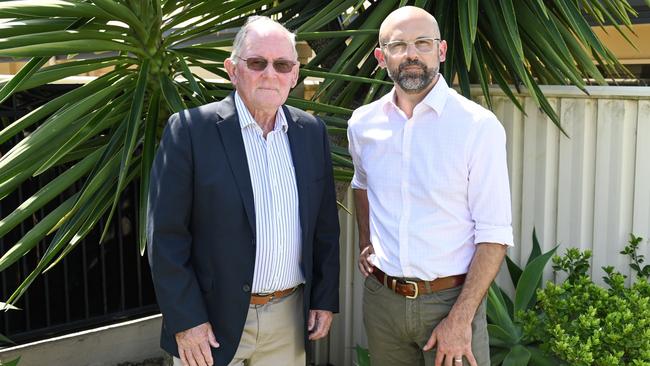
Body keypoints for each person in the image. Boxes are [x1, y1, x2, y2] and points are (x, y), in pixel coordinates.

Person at [147, 16, 340, 366]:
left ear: (295, 75)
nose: (270, 74)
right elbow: (166, 237)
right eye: (257, 63)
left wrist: (324, 299)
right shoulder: (191, 131)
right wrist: (187, 320)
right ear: (232, 70)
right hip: (210, 324)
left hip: (288, 319)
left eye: (282, 65)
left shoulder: (311, 132)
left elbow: (325, 227)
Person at [347, 6, 513, 366]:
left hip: (449, 301)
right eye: (398, 45)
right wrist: (365, 241)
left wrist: (461, 317)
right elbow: (361, 184)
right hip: (383, 301)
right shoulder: (363, 124)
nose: (411, 54)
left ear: (441, 51)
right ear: (381, 57)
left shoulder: (476, 127)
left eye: (423, 43)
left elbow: (494, 234)